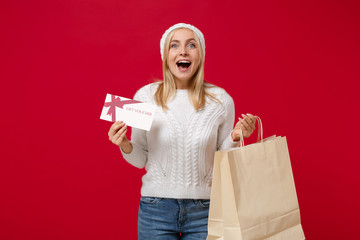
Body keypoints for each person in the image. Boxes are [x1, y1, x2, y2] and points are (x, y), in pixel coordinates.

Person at [108, 23, 257, 240]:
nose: (183, 51)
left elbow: (223, 159)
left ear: (200, 55)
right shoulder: (145, 97)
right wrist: (124, 144)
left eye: (191, 45)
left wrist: (235, 137)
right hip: (155, 210)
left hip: (206, 211)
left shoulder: (221, 100)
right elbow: (140, 159)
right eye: (174, 45)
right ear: (166, 55)